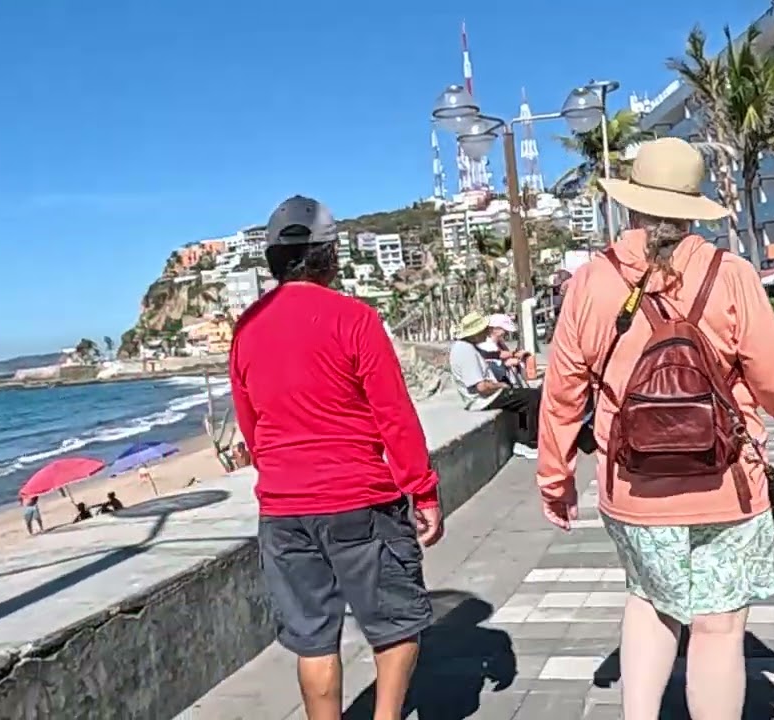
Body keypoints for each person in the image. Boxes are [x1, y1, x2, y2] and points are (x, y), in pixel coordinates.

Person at [535, 138, 774, 720]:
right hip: (727, 484)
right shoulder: (729, 274)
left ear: (630, 207)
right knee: (719, 627)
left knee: (650, 603)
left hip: (630, 488)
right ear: (690, 208)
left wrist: (555, 479)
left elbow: (560, 395)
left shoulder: (589, 282)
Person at [230, 195, 443, 720]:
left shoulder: (247, 329)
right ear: (329, 256)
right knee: (394, 623)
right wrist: (424, 491)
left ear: (274, 260)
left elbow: (252, 426)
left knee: (313, 640)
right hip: (359, 501)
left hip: (284, 510)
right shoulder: (355, 318)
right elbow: (394, 414)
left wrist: (283, 474)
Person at [449, 312, 541, 459]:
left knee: (525, 395)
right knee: (531, 397)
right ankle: (527, 442)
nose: (487, 332)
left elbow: (490, 357)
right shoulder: (465, 351)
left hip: (484, 396)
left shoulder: (467, 347)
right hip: (481, 400)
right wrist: (501, 385)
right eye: (484, 330)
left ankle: (526, 437)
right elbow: (481, 387)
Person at [477, 313, 536, 386]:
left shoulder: (499, 343)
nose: (506, 333)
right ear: (493, 329)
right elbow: (489, 368)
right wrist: (507, 364)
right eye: (503, 329)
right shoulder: (486, 346)